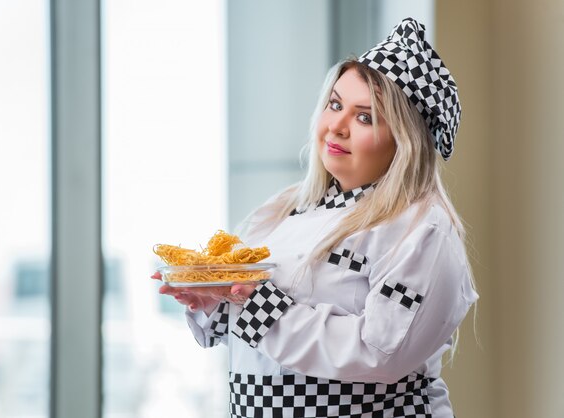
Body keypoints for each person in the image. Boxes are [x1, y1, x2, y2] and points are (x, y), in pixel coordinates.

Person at [152, 17, 478, 418]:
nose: (336, 127)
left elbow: (380, 355)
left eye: (365, 117)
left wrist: (256, 305)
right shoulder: (280, 212)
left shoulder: (421, 230)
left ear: (405, 142)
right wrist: (216, 301)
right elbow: (262, 344)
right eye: (335, 104)